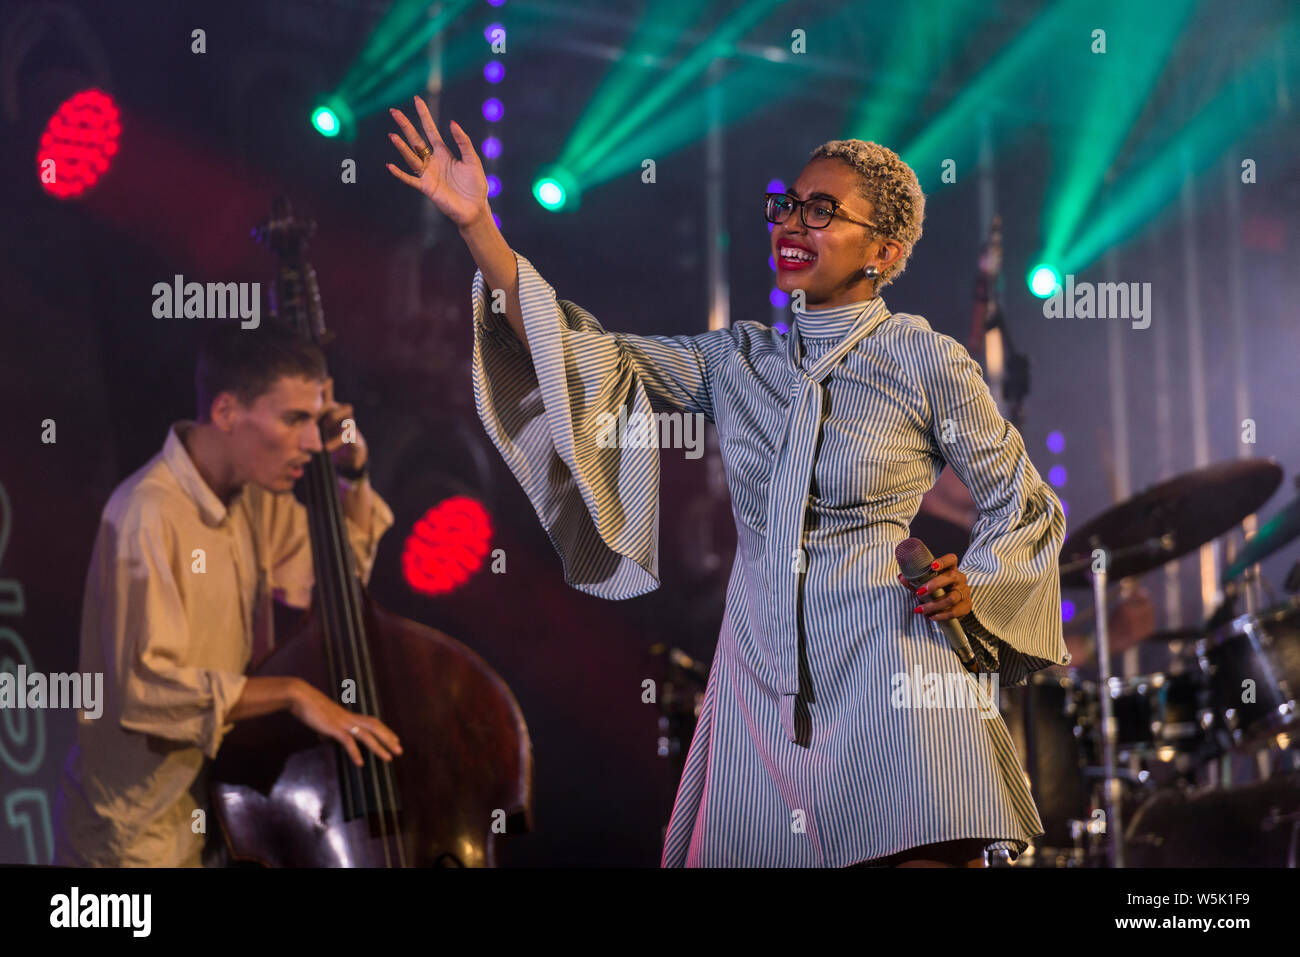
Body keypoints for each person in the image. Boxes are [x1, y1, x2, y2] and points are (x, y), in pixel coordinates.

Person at [386, 97, 1069, 868]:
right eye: (787, 205)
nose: (792, 223)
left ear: (883, 248)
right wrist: (480, 226)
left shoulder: (925, 358)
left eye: (822, 210)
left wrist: (974, 586)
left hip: (894, 674)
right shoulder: (739, 360)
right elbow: (583, 356)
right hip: (759, 693)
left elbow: (1026, 501)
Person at [53, 322, 402, 867]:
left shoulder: (252, 494)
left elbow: (331, 581)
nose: (313, 442)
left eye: (315, 420)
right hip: (132, 842)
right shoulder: (146, 512)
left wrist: (351, 475)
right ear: (225, 413)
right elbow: (146, 690)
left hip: (212, 815)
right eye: (294, 419)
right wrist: (292, 693)